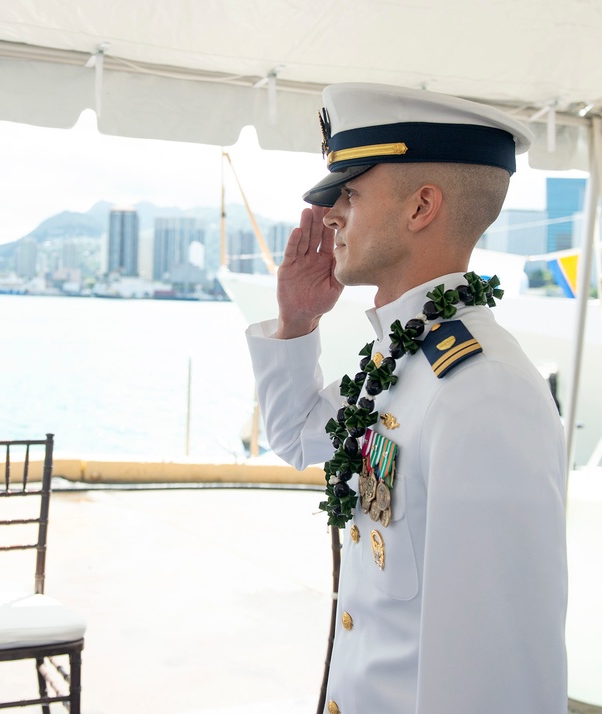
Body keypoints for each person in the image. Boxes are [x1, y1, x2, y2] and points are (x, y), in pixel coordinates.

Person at [245, 84, 568, 713]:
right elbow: (296, 436)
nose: (331, 214)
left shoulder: (481, 389)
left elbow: (495, 669)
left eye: (351, 193)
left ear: (421, 207)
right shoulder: (404, 356)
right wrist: (296, 322)